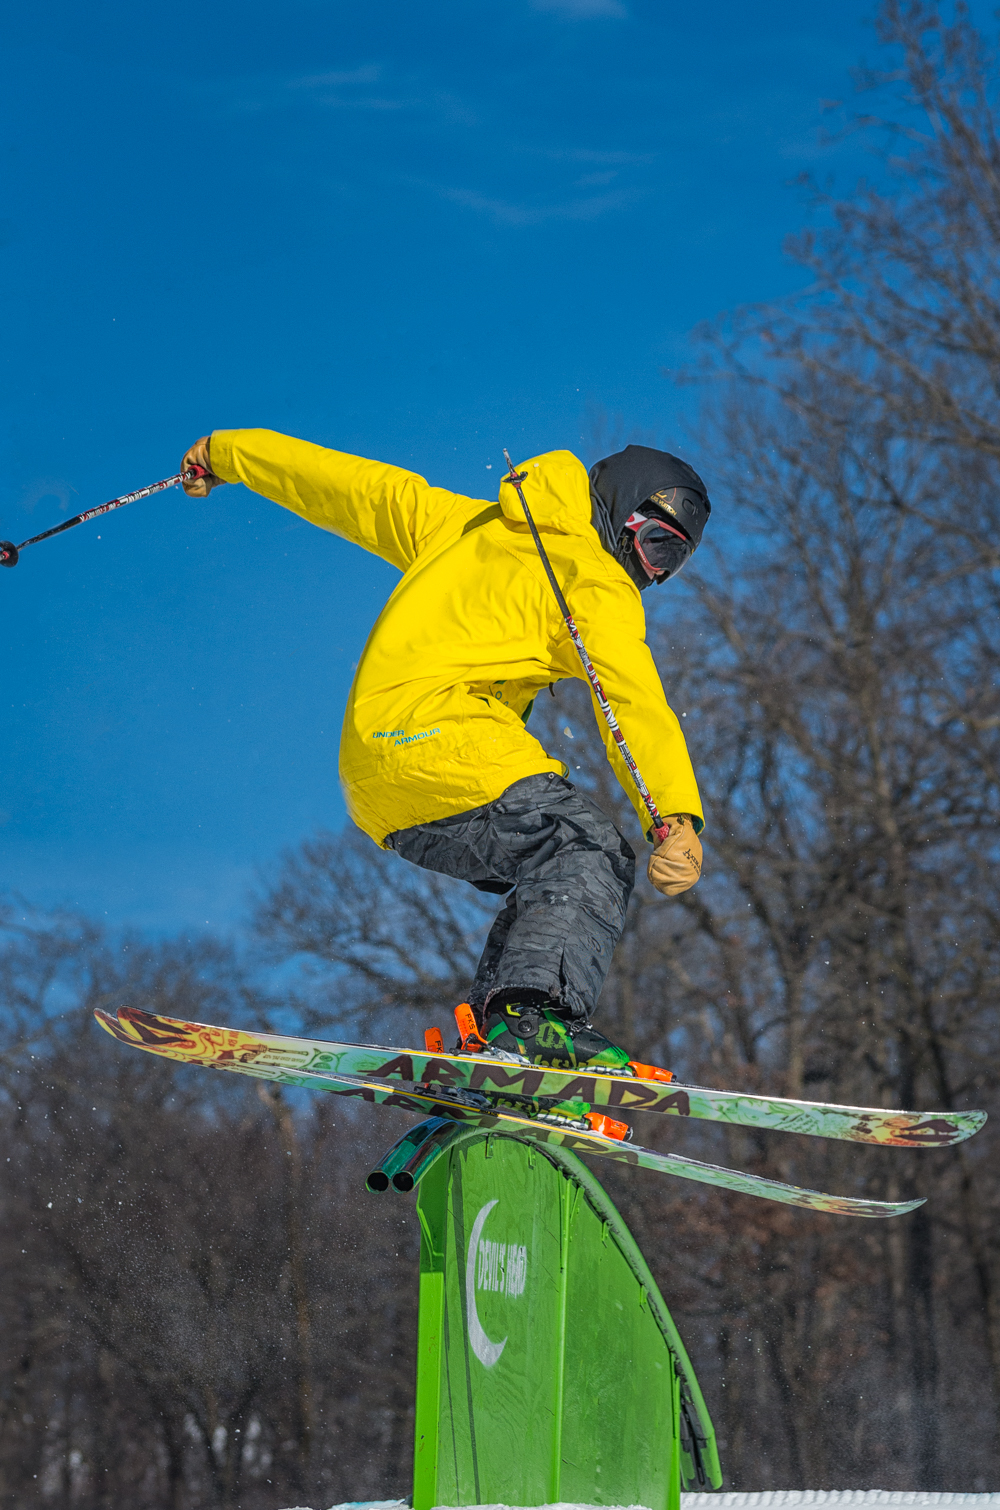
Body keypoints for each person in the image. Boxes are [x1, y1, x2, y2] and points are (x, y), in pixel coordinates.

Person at [181, 431, 709, 1078]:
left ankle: (503, 1034)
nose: (654, 573)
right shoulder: (595, 583)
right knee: (586, 848)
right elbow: (631, 702)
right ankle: (530, 1020)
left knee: (548, 867)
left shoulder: (466, 524)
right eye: (657, 546)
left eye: (674, 564)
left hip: (380, 781)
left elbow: (354, 489)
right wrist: (673, 815)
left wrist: (230, 453)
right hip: (448, 744)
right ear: (620, 512)